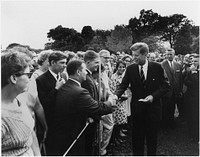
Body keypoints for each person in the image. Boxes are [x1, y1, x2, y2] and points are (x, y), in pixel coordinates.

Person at [47, 60, 116, 155]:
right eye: (84, 70)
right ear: (78, 72)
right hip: (73, 136)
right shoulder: (80, 92)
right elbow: (98, 108)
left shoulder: (64, 86)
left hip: (61, 135)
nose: (86, 72)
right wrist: (111, 101)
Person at [115, 42, 170, 156]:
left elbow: (165, 86)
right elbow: (123, 85)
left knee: (152, 140)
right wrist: (116, 95)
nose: (133, 58)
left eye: (136, 55)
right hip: (137, 110)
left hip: (153, 110)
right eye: (133, 55)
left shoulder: (157, 67)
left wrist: (153, 96)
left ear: (145, 54)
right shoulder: (130, 69)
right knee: (137, 140)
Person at [1, 51, 41, 156]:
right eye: (28, 74)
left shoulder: (20, 99)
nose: (30, 79)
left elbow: (30, 132)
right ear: (13, 78)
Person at [36, 51, 67, 155]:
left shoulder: (63, 76)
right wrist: (56, 89)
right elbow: (43, 103)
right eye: (62, 63)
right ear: (53, 62)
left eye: (65, 62)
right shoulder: (41, 80)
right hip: (51, 122)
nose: (65, 65)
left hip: (62, 121)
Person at [81, 50, 101, 155]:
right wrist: (92, 115)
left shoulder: (90, 76)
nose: (98, 65)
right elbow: (88, 100)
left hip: (93, 116)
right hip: (90, 118)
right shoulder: (86, 79)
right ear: (88, 63)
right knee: (88, 145)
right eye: (96, 62)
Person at [161, 48, 183, 129]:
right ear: (165, 55)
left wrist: (179, 90)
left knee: (172, 108)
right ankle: (164, 125)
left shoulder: (178, 65)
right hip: (166, 92)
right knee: (165, 109)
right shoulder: (161, 65)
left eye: (171, 54)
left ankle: (171, 123)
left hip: (175, 92)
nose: (169, 56)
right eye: (168, 54)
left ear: (174, 55)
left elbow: (180, 79)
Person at [99, 49, 115, 155]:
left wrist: (111, 96)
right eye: (105, 57)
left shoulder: (105, 70)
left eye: (109, 58)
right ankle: (100, 150)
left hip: (106, 101)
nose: (107, 60)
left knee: (109, 125)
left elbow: (106, 86)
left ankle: (102, 148)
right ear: (99, 57)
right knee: (101, 128)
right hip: (99, 103)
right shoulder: (96, 70)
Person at [110, 60, 128, 145]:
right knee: (116, 121)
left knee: (120, 121)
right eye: (120, 67)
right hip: (116, 102)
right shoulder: (114, 77)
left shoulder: (123, 76)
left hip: (121, 102)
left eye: (123, 67)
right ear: (116, 68)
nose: (122, 69)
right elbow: (113, 91)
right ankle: (114, 139)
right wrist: (121, 97)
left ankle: (117, 137)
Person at [184, 54, 199, 142]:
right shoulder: (190, 70)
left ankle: (196, 134)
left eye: (196, 61)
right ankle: (191, 133)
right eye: (192, 61)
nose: (193, 63)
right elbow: (186, 81)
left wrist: (193, 76)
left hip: (197, 97)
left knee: (196, 116)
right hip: (190, 96)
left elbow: (197, 84)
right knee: (190, 115)